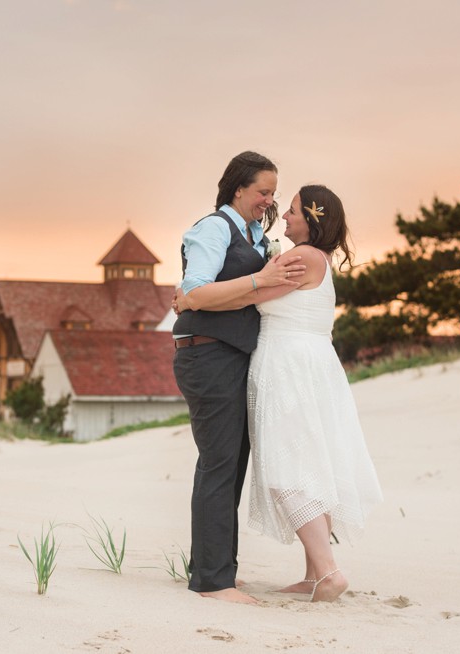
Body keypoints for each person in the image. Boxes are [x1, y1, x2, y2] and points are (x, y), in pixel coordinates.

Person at [177, 184, 383, 603]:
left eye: (291, 211)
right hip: (312, 363)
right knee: (310, 462)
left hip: (287, 365)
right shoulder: (318, 259)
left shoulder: (301, 256)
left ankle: (328, 571)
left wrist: (190, 301)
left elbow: (246, 298)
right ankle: (313, 574)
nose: (284, 217)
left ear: (312, 218)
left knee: (286, 466)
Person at [172, 151, 304, 605]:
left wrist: (261, 280)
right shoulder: (213, 228)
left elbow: (220, 300)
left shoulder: (252, 235)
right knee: (220, 463)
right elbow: (197, 292)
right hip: (205, 357)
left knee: (229, 465)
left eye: (274, 194)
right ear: (238, 189)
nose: (269, 201)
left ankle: (214, 568)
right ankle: (212, 582)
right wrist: (258, 280)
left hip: (233, 358)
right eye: (263, 192)